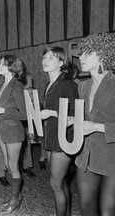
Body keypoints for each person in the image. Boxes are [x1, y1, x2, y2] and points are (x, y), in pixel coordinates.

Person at [74, 32, 115, 216]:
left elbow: (95, 124)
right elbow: (85, 119)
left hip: (111, 158)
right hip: (86, 157)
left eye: (87, 53)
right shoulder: (83, 86)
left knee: (108, 211)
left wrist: (97, 127)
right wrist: (72, 121)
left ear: (103, 55)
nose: (80, 57)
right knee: (86, 208)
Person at [41, 46, 78, 216]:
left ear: (61, 63)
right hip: (50, 138)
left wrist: (50, 113)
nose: (45, 60)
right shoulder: (49, 84)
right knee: (60, 183)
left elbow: (74, 115)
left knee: (55, 184)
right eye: (45, 57)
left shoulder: (67, 83)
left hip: (64, 139)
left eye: (50, 58)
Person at [0, 55, 27, 214]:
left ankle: (14, 201)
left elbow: (24, 113)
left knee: (13, 167)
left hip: (14, 130)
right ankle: (17, 196)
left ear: (10, 67)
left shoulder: (17, 86)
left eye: (2, 63)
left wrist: (4, 111)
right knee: (7, 164)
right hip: (3, 129)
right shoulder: (0, 84)